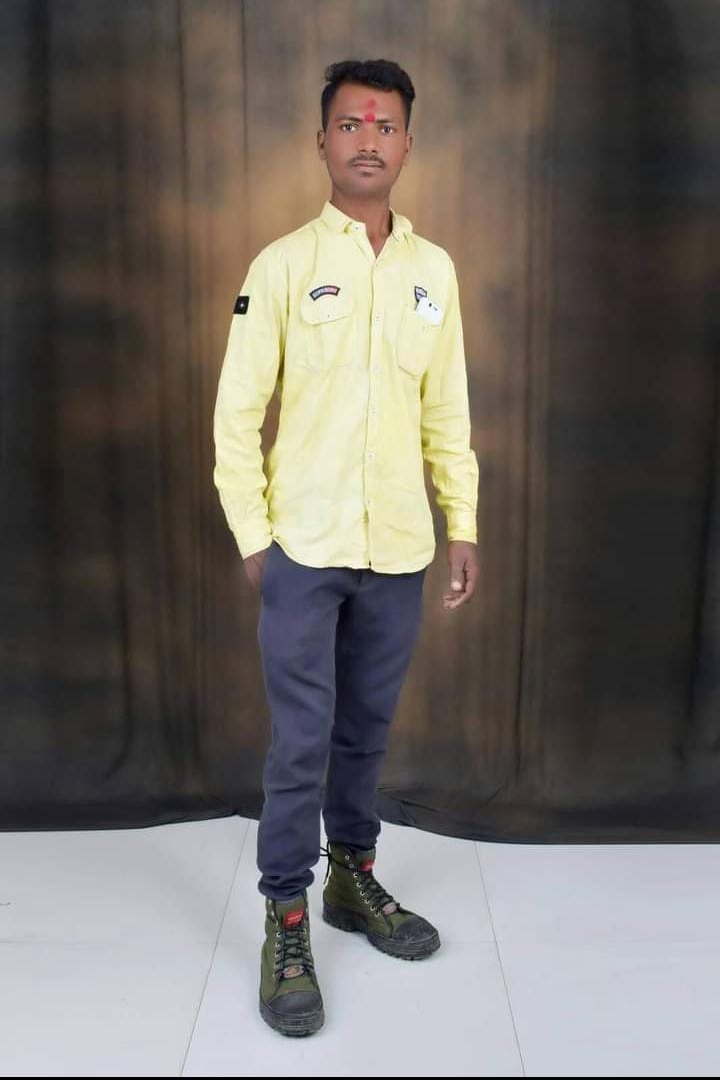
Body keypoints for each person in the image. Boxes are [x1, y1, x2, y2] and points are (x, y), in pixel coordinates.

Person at [212, 57, 479, 1037]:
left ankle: (351, 878)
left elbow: (446, 411)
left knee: (365, 730)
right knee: (302, 739)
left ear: (408, 143)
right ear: (321, 140)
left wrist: (462, 521)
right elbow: (236, 414)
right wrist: (256, 537)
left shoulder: (432, 272)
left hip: (399, 548)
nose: (369, 138)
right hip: (305, 548)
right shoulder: (282, 266)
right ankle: (286, 916)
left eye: (386, 124)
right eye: (351, 123)